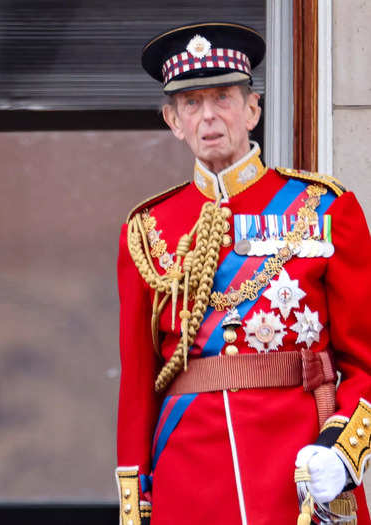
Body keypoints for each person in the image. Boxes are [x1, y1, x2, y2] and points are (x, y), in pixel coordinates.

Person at [115, 22, 371, 524]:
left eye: (223, 98)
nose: (209, 116)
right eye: (191, 103)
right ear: (172, 120)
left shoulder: (322, 208)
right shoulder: (148, 230)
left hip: (301, 466)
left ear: (252, 109)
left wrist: (343, 449)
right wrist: (135, 503)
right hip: (189, 476)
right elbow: (137, 384)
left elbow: (367, 358)